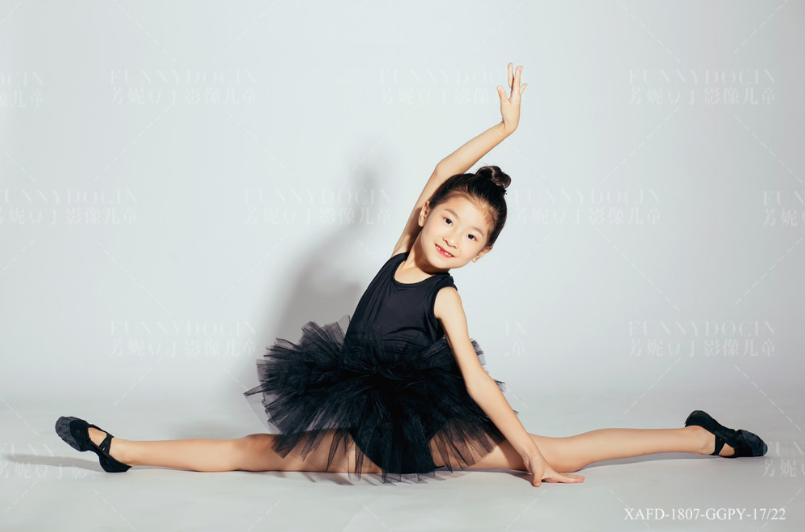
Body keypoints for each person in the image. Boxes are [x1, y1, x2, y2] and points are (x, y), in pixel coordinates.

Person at [55, 63, 767, 487]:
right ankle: (118, 448)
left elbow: (479, 383)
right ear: (424, 214)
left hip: (425, 427)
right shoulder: (402, 249)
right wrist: (504, 130)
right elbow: (441, 168)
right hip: (371, 415)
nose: (453, 237)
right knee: (255, 452)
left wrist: (528, 455)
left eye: (472, 236)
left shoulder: (445, 296)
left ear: (481, 254)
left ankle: (705, 438)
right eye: (448, 219)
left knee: (555, 450)